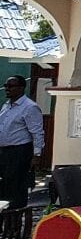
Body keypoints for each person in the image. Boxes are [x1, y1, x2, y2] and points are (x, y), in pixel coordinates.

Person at [0, 76, 43, 209]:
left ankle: (15, 221)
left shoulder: (30, 107)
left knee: (17, 186)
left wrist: (37, 155)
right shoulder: (7, 105)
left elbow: (37, 132)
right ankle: (4, 218)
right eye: (6, 86)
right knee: (4, 185)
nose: (7, 89)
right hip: (4, 151)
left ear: (21, 88)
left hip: (19, 151)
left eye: (11, 86)